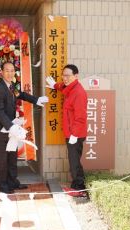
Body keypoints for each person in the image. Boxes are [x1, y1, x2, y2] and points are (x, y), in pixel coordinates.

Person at [0, 62, 48, 194]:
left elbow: (21, 94)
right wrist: (11, 126)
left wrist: (36, 100)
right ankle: (2, 184)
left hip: (11, 130)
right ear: (1, 72)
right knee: (2, 159)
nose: (10, 73)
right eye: (7, 70)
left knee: (12, 157)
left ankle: (13, 181)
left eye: (12, 71)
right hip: (2, 131)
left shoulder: (11, 86)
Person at [46, 64, 88, 196]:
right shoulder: (71, 88)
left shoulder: (78, 92)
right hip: (71, 133)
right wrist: (54, 86)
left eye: (67, 75)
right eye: (63, 75)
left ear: (76, 76)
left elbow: (80, 117)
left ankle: (79, 188)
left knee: (74, 161)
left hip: (75, 134)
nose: (65, 78)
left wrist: (74, 134)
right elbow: (63, 87)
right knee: (73, 159)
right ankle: (77, 185)